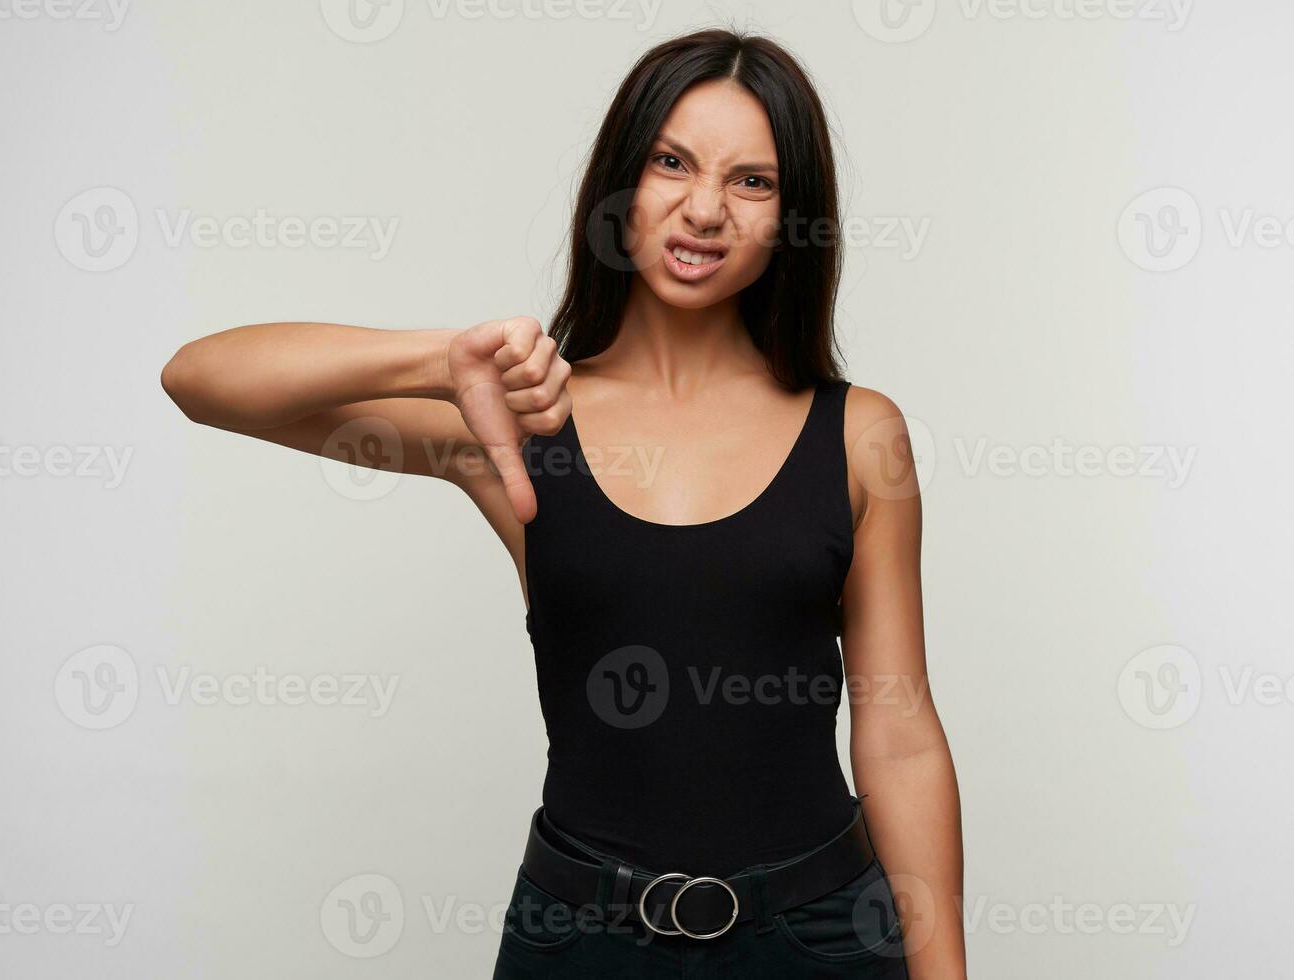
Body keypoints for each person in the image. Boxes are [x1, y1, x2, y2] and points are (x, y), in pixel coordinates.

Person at [161, 27, 966, 980]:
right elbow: (201, 379)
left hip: (821, 936)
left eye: (752, 181)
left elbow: (900, 729)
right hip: (581, 940)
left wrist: (943, 972)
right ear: (622, 183)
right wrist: (435, 361)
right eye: (672, 162)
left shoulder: (860, 436)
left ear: (796, 217)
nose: (703, 209)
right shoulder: (517, 421)